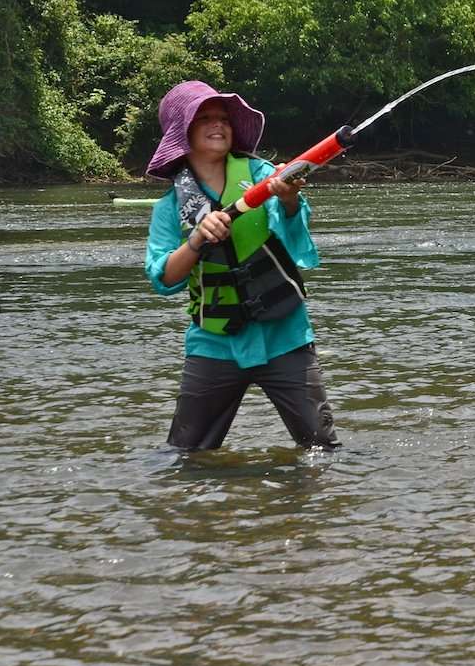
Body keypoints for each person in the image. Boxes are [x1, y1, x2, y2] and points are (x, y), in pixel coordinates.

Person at [144, 80, 339, 450]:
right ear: (182, 132)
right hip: (214, 344)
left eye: (223, 119)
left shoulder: (264, 174)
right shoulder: (168, 208)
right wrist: (197, 238)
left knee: (322, 451)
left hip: (285, 337)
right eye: (205, 119)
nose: (219, 125)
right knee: (186, 457)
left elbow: (298, 240)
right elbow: (164, 278)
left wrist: (291, 199)